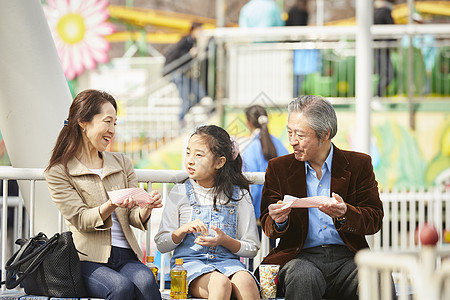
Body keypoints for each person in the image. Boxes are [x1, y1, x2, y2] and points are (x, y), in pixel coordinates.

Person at [259, 95, 384, 299]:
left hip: (348, 258)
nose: (292, 141)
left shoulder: (359, 164)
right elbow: (267, 223)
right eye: (289, 132)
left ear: (324, 134)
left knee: (376, 276)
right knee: (304, 276)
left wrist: (345, 214)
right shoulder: (278, 168)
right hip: (299, 257)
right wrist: (279, 221)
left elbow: (374, 219)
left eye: (300, 134)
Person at [45, 89, 162, 300]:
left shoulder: (122, 162)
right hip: (87, 260)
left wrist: (146, 208)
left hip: (127, 255)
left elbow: (134, 215)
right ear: (83, 122)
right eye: (107, 121)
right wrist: (111, 204)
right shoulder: (59, 171)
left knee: (146, 283)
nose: (112, 130)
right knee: (119, 288)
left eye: (115, 123)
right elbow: (81, 219)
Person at [155, 125, 260, 299]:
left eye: (199, 155)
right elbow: (162, 244)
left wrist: (226, 241)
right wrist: (182, 230)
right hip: (189, 265)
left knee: (247, 282)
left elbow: (252, 248)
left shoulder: (240, 195)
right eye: (188, 152)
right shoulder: (179, 192)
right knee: (220, 283)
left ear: (220, 162)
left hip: (229, 264)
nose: (189, 160)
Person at [241, 105, 289, 222]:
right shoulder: (279, 144)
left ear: (248, 123)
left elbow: (252, 187)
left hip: (258, 214)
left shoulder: (249, 148)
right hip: (281, 212)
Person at [163, 22, 207, 122]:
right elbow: (176, 53)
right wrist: (189, 53)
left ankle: (184, 117)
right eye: (199, 30)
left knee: (199, 94)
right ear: (194, 30)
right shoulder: (186, 40)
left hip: (184, 73)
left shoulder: (192, 41)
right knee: (185, 100)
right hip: (177, 72)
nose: (201, 33)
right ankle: (181, 121)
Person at [374, 0, 396, 97]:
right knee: (388, 74)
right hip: (382, 48)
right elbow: (391, 28)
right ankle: (377, 96)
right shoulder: (385, 12)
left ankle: (377, 96)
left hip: (378, 48)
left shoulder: (374, 13)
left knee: (385, 74)